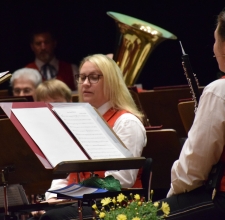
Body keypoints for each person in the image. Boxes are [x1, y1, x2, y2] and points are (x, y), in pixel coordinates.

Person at [38, 54, 147, 220]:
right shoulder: (80, 122)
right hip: (82, 203)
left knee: (52, 218)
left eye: (94, 77)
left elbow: (121, 181)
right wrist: (52, 197)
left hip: (115, 208)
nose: (85, 83)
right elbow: (68, 174)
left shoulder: (126, 122)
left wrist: (72, 195)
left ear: (111, 82)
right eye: (82, 78)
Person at [159, 8, 225, 219]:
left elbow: (191, 172)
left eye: (215, 41)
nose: (213, 50)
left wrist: (169, 200)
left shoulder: (218, 91)